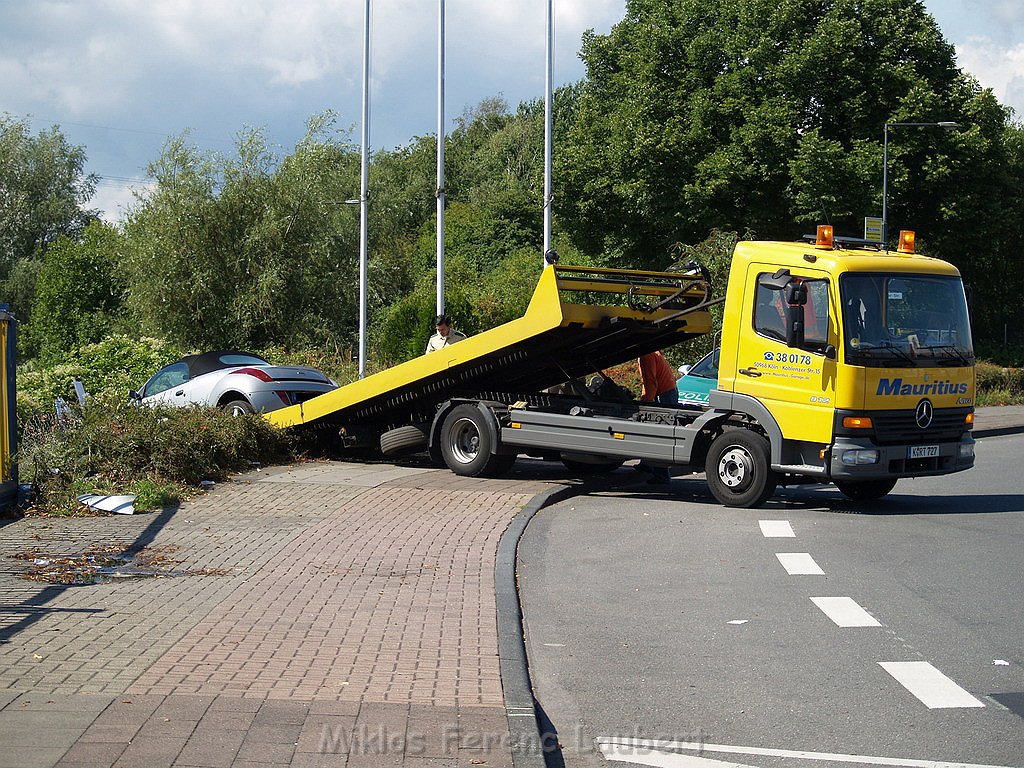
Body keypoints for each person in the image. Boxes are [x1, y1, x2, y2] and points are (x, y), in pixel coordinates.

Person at [635, 351, 678, 484]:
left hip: (664, 395)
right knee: (655, 432)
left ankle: (662, 476)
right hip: (669, 391)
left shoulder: (645, 355)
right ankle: (647, 464)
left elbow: (650, 382)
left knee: (658, 435)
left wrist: (645, 402)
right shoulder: (653, 352)